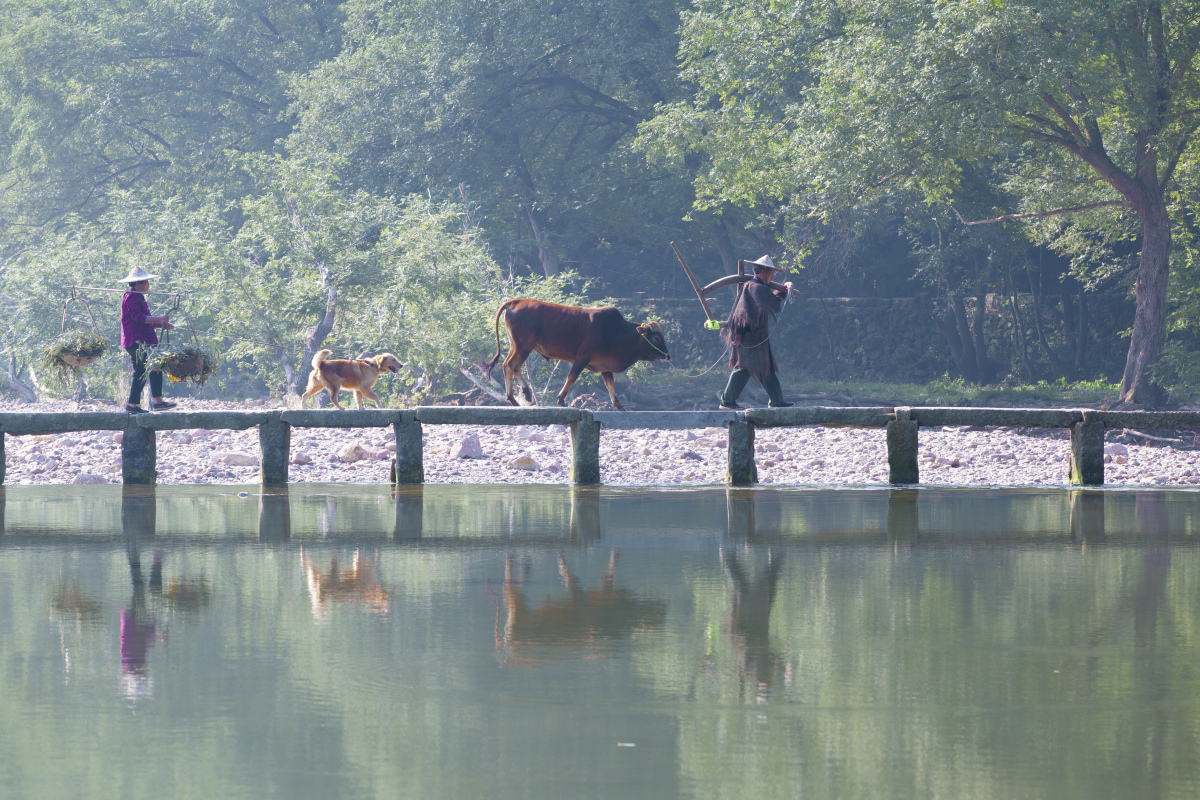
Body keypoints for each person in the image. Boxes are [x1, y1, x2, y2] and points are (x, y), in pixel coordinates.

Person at [718, 255, 795, 410]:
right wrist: (784, 291)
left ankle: (776, 400)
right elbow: (749, 310)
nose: (773, 276)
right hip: (749, 337)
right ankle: (727, 401)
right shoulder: (756, 288)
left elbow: (767, 301)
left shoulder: (754, 287)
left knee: (767, 367)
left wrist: (785, 288)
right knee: (744, 368)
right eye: (771, 273)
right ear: (763, 272)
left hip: (757, 337)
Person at [120, 266, 176, 413]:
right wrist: (161, 318)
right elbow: (138, 318)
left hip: (144, 340)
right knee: (147, 369)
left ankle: (145, 403)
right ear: (137, 283)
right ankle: (143, 404)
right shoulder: (131, 297)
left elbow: (143, 322)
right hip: (137, 342)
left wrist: (160, 324)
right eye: (145, 282)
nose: (148, 285)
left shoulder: (139, 298)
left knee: (149, 369)